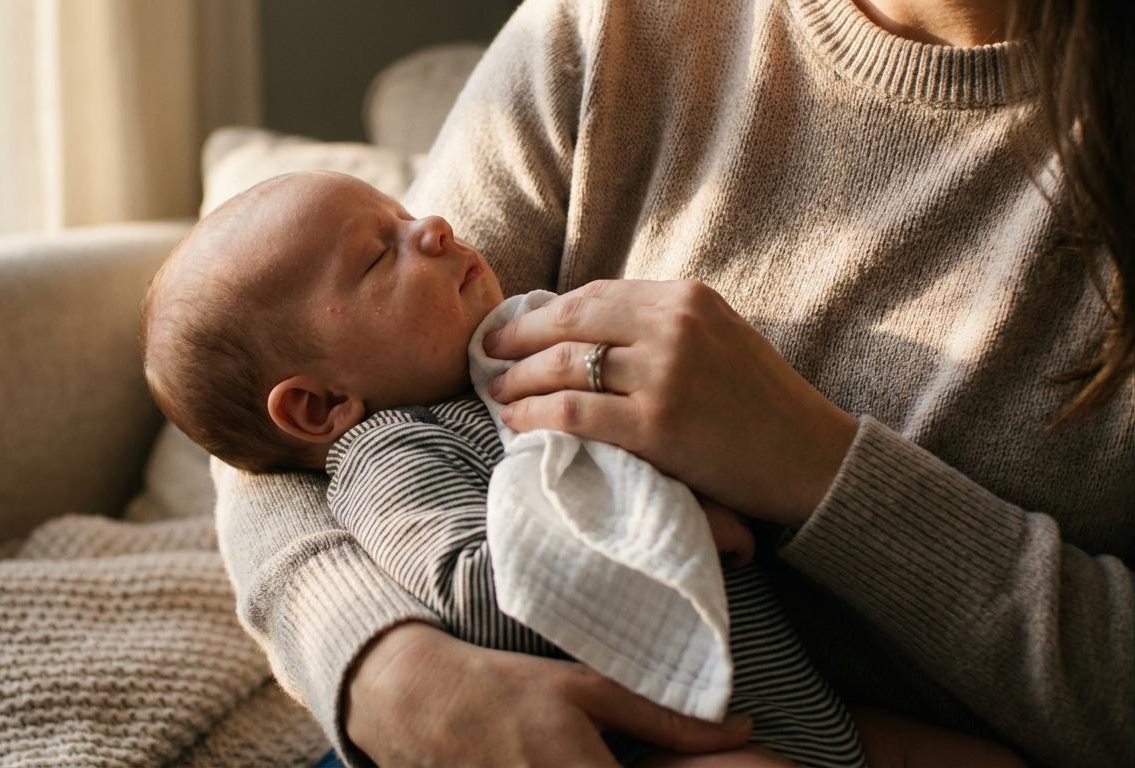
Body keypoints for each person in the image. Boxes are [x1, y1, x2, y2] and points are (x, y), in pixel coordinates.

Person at [207, 0, 1134, 765]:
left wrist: (813, 465)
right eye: (386, 247)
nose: (439, 231)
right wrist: (388, 670)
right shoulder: (605, 29)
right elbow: (278, 434)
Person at [141, 170, 1026, 766]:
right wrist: (667, 520)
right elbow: (476, 587)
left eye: (407, 214)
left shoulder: (507, 361)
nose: (435, 226)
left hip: (795, 705)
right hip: (663, 741)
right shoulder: (394, 454)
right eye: (381, 252)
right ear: (319, 406)